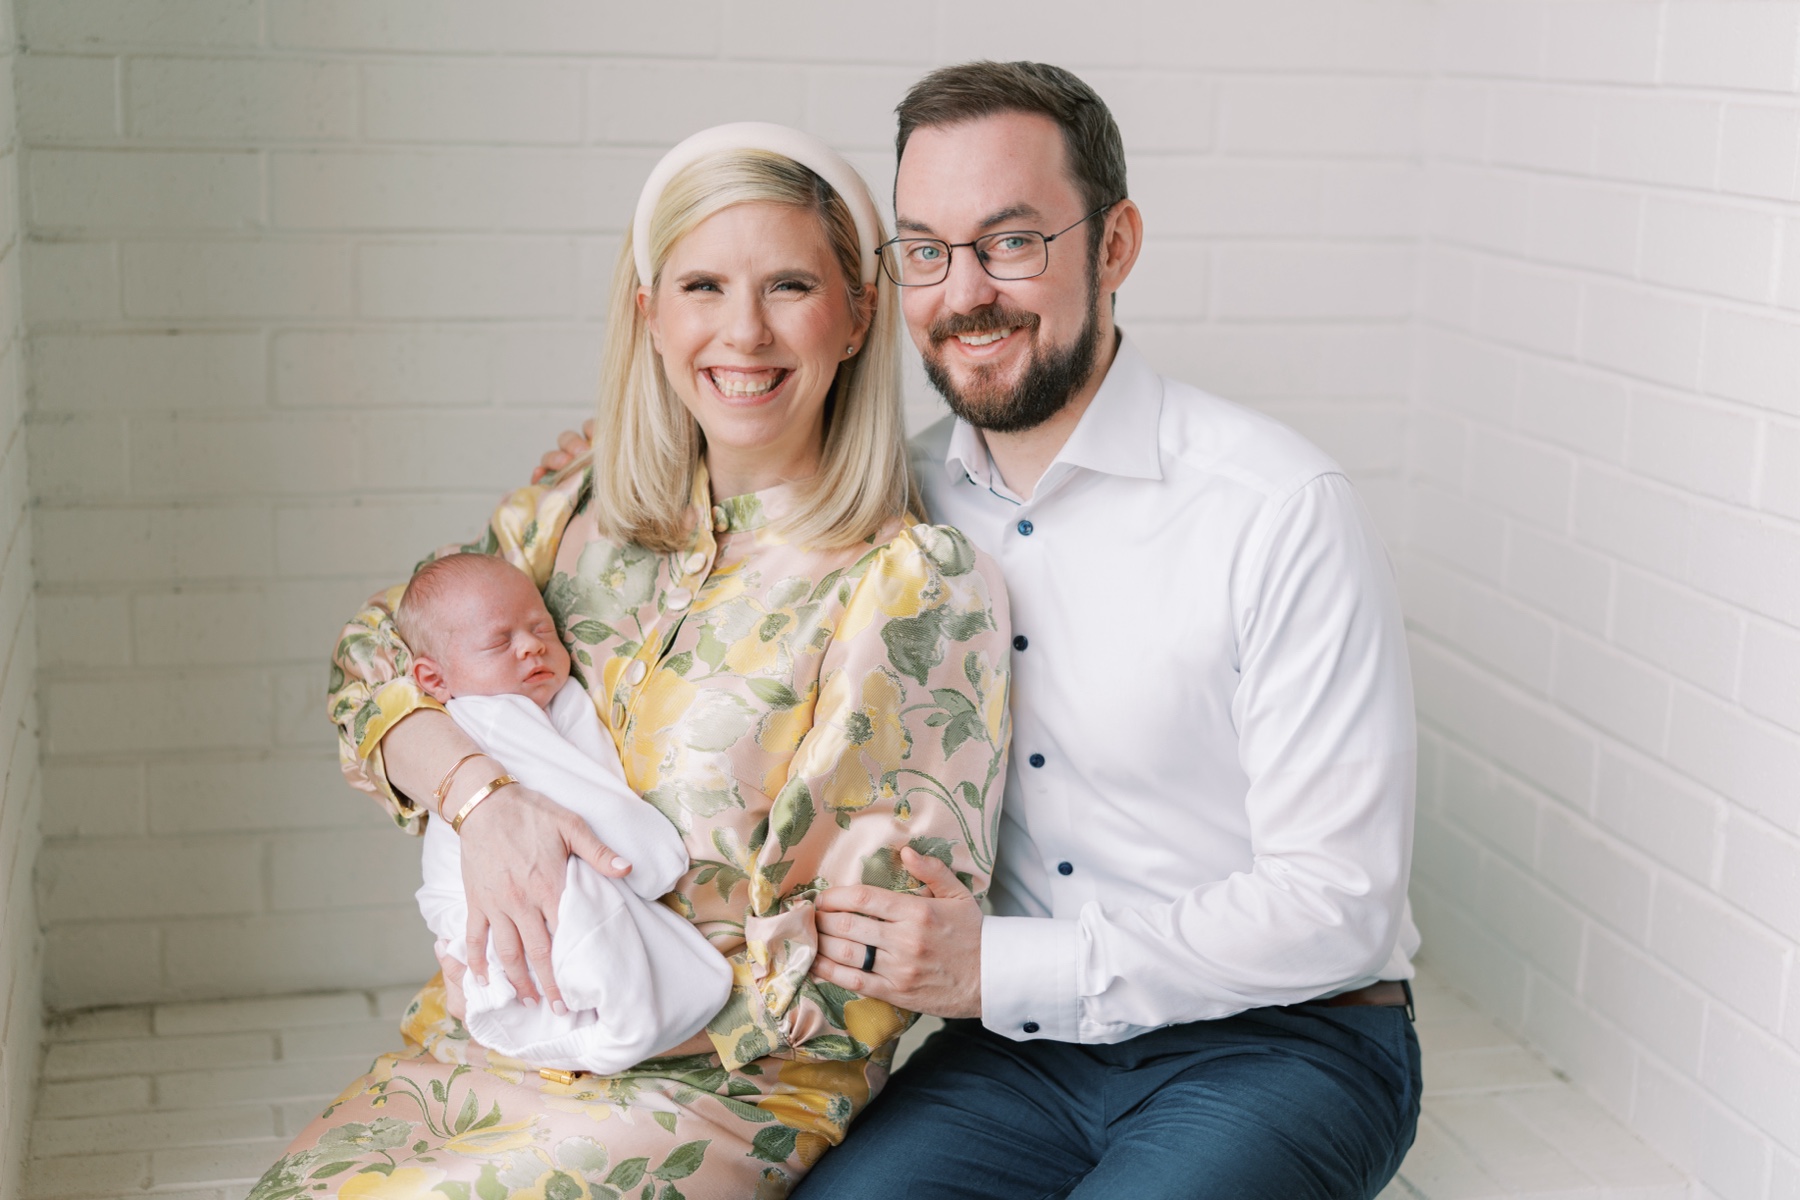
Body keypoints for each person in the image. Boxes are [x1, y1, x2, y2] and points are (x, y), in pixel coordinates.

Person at [535, 63, 1423, 1200]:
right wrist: (599, 494)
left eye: (1011, 243)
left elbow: (1337, 904)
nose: (967, 295)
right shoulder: (890, 513)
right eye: (926, 252)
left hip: (1286, 1042)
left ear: (1114, 246)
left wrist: (999, 965)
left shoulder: (1275, 509)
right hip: (1018, 1058)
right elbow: (714, 560)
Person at [251, 123, 1011, 1200]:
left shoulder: (910, 585)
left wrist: (616, 1009)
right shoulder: (574, 510)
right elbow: (376, 659)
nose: (742, 333)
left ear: (856, 316)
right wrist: (481, 801)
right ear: (651, 315)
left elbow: (868, 965)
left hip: (713, 1080)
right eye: (703, 284)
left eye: (790, 285)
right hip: (478, 1042)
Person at [402, 552, 732, 1075]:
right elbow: (587, 802)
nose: (531, 645)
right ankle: (615, 1031)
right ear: (435, 678)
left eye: (541, 628)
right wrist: (652, 857)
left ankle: (603, 1026)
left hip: (522, 875)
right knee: (579, 895)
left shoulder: (557, 701)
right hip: (475, 897)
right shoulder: (484, 716)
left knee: (592, 911)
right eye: (499, 641)